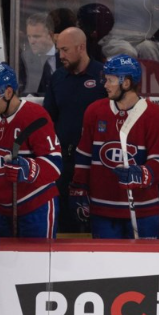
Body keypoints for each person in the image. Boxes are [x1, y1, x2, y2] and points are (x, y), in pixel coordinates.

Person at [70, 54, 159, 238]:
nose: (105, 85)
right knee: (104, 267)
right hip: (102, 210)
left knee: (143, 267)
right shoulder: (95, 111)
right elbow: (84, 156)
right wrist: (79, 188)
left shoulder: (156, 115)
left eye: (110, 80)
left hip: (142, 211)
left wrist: (141, 174)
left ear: (127, 83)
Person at [0, 63, 62, 238]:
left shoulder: (36, 116)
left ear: (8, 92)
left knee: (38, 264)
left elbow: (55, 165)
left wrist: (28, 168)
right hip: (2, 211)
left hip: (37, 208)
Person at [43, 27, 107, 233]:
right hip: (64, 162)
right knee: (63, 219)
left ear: (81, 48)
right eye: (58, 50)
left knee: (94, 219)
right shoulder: (57, 78)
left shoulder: (104, 77)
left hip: (95, 163)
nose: (60, 55)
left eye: (65, 50)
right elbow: (48, 119)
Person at [20, 13, 56, 94]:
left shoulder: (64, 53)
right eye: (29, 36)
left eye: (36, 36)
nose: (32, 41)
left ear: (50, 35)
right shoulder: (25, 57)